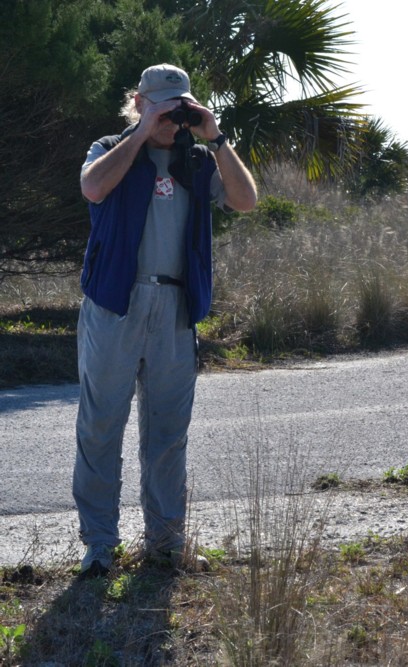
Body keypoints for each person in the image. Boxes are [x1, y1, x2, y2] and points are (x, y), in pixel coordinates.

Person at [74, 63, 257, 576]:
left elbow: (246, 201)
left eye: (180, 107)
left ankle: (165, 543)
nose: (172, 118)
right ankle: (99, 546)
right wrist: (140, 132)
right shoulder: (109, 148)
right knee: (101, 427)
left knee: (168, 432)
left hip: (175, 309)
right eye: (161, 106)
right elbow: (93, 188)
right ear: (138, 102)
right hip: (115, 304)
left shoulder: (198, 162)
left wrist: (216, 137)